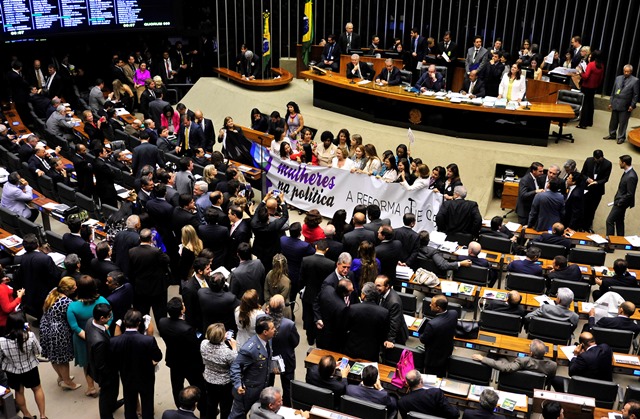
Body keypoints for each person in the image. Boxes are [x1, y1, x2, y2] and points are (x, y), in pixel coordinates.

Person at [158, 297, 206, 416]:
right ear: (182, 310)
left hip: (174, 360)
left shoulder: (162, 322)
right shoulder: (187, 329)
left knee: (176, 386)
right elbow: (195, 346)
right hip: (190, 363)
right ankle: (203, 407)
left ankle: (181, 408)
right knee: (198, 386)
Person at [110, 310, 163, 419]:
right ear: (139, 323)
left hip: (127, 377)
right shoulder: (148, 340)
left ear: (124, 322)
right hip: (146, 377)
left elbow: (113, 360)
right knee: (147, 404)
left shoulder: (115, 341)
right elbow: (158, 356)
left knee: (129, 405)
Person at [66, 274, 109, 397]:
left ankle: (91, 388)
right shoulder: (102, 300)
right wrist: (101, 331)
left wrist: (89, 338)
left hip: (82, 339)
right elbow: (110, 318)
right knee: (103, 362)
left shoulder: (73, 306)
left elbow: (74, 327)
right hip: (102, 336)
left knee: (87, 364)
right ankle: (103, 385)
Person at [0, 312, 47, 419]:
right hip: (30, 368)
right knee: (37, 389)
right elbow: (38, 351)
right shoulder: (29, 336)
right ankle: (43, 416)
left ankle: (27, 415)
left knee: (19, 392)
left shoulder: (2, 341)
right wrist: (29, 331)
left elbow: (0, 358)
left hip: (13, 371)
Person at [229, 316, 277, 419]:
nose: (275, 330)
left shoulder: (269, 340)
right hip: (248, 392)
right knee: (237, 416)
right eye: (272, 328)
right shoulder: (250, 349)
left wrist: (273, 367)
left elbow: (265, 358)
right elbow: (235, 366)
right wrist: (238, 385)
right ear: (265, 332)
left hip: (262, 387)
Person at [40, 277, 81, 390]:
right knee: (63, 359)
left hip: (46, 327)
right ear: (68, 290)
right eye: (74, 287)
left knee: (54, 356)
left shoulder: (53, 291)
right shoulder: (67, 302)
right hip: (58, 332)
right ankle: (67, 382)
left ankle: (61, 377)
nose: (76, 287)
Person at [85, 303, 123, 419]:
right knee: (107, 394)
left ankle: (112, 404)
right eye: (109, 316)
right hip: (106, 373)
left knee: (112, 393)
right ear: (102, 318)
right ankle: (106, 414)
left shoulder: (90, 321)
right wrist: (111, 374)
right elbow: (101, 364)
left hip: (96, 364)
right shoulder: (99, 342)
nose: (110, 318)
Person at [13, 234, 60, 321]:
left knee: (38, 313)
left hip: (28, 291)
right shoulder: (45, 258)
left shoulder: (18, 259)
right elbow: (55, 275)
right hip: (44, 292)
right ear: (37, 245)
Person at [128, 228, 171, 320]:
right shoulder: (156, 251)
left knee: (142, 313)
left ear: (140, 238)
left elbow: (130, 269)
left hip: (141, 287)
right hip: (157, 287)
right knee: (160, 312)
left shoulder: (132, 251)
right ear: (151, 238)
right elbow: (167, 260)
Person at [300, 240, 336, 345]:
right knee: (320, 315)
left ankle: (310, 338)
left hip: (309, 293)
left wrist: (301, 289)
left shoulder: (306, 260)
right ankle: (318, 335)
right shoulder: (331, 264)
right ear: (327, 249)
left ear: (316, 247)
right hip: (322, 295)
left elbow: (301, 278)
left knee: (308, 315)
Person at [266, 295, 299, 407]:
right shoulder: (289, 324)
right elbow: (295, 342)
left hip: (268, 357)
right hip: (286, 358)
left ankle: (267, 405)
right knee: (288, 387)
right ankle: (287, 407)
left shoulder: (263, 321)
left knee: (267, 384)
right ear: (282, 307)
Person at [200, 322, 238, 419]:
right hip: (225, 384)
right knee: (225, 407)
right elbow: (236, 364)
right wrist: (234, 347)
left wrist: (221, 339)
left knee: (211, 405)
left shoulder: (203, 344)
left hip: (209, 380)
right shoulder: (228, 353)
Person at [343, 282, 389, 360]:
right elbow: (384, 334)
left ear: (363, 295)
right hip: (371, 352)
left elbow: (345, 327)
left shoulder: (352, 308)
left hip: (352, 349)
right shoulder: (384, 312)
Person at [472, 338, 557, 378]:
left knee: (500, 357)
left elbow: (506, 368)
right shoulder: (553, 365)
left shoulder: (523, 360)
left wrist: (483, 358)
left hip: (515, 379)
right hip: (534, 387)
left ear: (531, 353)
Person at [420, 295, 458, 376]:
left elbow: (423, 340)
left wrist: (422, 333)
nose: (430, 305)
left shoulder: (432, 324)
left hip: (433, 359)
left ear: (438, 308)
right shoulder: (454, 313)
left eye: (432, 304)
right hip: (447, 352)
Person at [314, 277, 354, 352]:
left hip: (320, 333)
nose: (353, 290)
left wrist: (318, 318)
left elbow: (316, 303)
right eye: (350, 291)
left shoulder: (327, 289)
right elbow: (341, 328)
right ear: (344, 293)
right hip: (332, 340)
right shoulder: (342, 307)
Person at [604, 65, 639, 144]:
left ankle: (621, 137)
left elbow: (635, 95)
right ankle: (612, 134)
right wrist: (611, 102)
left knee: (623, 122)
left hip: (626, 104)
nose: (626, 73)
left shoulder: (635, 80)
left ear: (631, 72)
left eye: (628, 71)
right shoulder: (618, 78)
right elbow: (613, 91)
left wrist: (632, 105)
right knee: (613, 121)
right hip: (616, 102)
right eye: (625, 71)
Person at [580, 150, 612, 232]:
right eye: (596, 159)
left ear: (602, 157)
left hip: (597, 190)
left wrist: (597, 182)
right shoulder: (588, 160)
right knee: (584, 207)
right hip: (587, 188)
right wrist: (587, 179)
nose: (598, 160)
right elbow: (583, 173)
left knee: (592, 209)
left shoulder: (608, 164)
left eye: (599, 158)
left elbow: (606, 178)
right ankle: (582, 226)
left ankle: (589, 226)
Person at [606, 155, 637, 236]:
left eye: (620, 162)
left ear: (624, 163)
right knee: (619, 220)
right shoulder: (628, 173)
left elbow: (630, 194)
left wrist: (619, 202)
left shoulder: (631, 176)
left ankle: (610, 245)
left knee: (609, 221)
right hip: (620, 201)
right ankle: (620, 240)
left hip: (621, 203)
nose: (619, 163)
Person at [576, 50, 605, 129]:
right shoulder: (602, 65)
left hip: (586, 86)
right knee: (590, 104)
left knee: (585, 105)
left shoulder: (591, 64)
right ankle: (589, 122)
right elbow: (601, 78)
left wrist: (580, 72)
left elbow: (585, 76)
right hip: (594, 87)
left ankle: (582, 124)